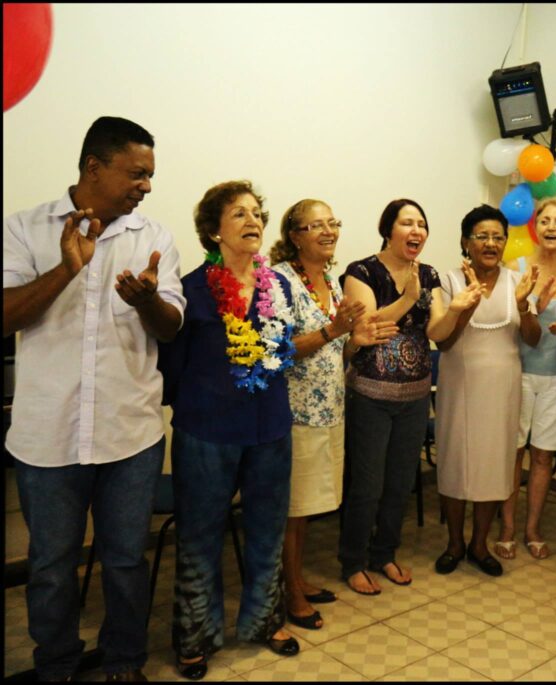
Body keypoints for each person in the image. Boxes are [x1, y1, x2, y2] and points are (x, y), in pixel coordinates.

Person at [4, 116, 183, 683]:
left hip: (130, 433)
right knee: (51, 566)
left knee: (126, 560)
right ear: (93, 167)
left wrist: (147, 301)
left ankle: (125, 661)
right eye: (136, 173)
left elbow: (171, 327)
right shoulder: (24, 228)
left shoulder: (154, 238)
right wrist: (67, 269)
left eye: (150, 175)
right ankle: (56, 666)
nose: (146, 186)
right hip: (48, 434)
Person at [160, 181, 300, 680]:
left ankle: (265, 622)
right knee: (200, 536)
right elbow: (171, 365)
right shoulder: (191, 288)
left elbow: (285, 351)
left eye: (256, 212)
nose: (252, 220)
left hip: (270, 428)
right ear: (213, 230)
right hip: (207, 431)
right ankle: (195, 638)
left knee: (267, 531)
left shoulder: (278, 286)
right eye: (238, 213)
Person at [339, 199, 483, 595]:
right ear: (388, 230)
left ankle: (383, 554)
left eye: (422, 223)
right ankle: (353, 561)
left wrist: (457, 309)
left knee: (401, 483)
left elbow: (436, 332)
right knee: (367, 486)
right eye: (407, 223)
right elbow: (368, 326)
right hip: (370, 396)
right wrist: (407, 298)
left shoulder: (429, 273)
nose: (417, 230)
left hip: (415, 398)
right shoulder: (361, 272)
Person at [268, 200, 398, 630]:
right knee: (292, 508)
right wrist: (334, 330)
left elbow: (337, 349)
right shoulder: (280, 281)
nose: (329, 231)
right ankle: (288, 591)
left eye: (333, 223)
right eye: (316, 225)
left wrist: (357, 340)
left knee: (306, 506)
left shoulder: (329, 280)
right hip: (294, 414)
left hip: (330, 409)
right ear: (294, 236)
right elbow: (279, 351)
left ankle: (296, 579)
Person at [433, 205, 541, 576]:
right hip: (459, 386)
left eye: (498, 237)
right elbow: (444, 343)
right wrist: (467, 304)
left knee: (495, 465)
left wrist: (524, 306)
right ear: (466, 242)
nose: (491, 243)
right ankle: (454, 543)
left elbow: (532, 338)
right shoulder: (449, 281)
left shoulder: (518, 282)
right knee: (454, 461)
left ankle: (479, 544)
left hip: (503, 389)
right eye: (482, 236)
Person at [496, 197, 556, 561]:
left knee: (542, 457)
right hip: (518, 373)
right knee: (512, 453)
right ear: (536, 227)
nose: (552, 227)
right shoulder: (515, 268)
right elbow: (506, 322)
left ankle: (532, 529)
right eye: (546, 220)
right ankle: (506, 528)